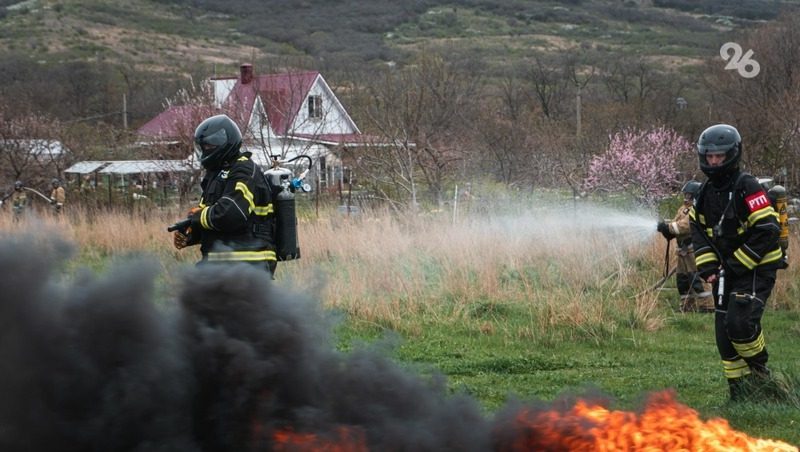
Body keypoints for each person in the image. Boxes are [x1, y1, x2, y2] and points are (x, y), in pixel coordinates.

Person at [689, 124, 783, 402]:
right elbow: (697, 229)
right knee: (724, 336)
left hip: (757, 267)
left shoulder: (747, 186)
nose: (714, 161)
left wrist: (734, 266)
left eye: (719, 156)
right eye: (709, 156)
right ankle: (741, 396)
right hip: (726, 271)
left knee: (740, 323)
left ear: (732, 154)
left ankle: (761, 372)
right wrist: (707, 267)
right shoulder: (705, 192)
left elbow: (768, 229)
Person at [173, 114, 278, 276]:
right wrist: (191, 233)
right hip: (220, 264)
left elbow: (230, 215)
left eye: (208, 146)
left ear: (222, 143)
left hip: (247, 265)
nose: (205, 150)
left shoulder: (244, 171)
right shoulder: (216, 175)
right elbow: (211, 219)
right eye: (203, 147)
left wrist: (196, 217)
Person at [657, 181, 714, 313]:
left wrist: (669, 227)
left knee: (698, 279)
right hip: (682, 251)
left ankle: (707, 306)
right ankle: (687, 307)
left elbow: (685, 225)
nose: (686, 197)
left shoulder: (699, 209)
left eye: (689, 195)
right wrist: (667, 229)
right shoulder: (683, 209)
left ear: (695, 195)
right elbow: (676, 223)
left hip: (693, 251)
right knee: (683, 280)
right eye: (685, 194)